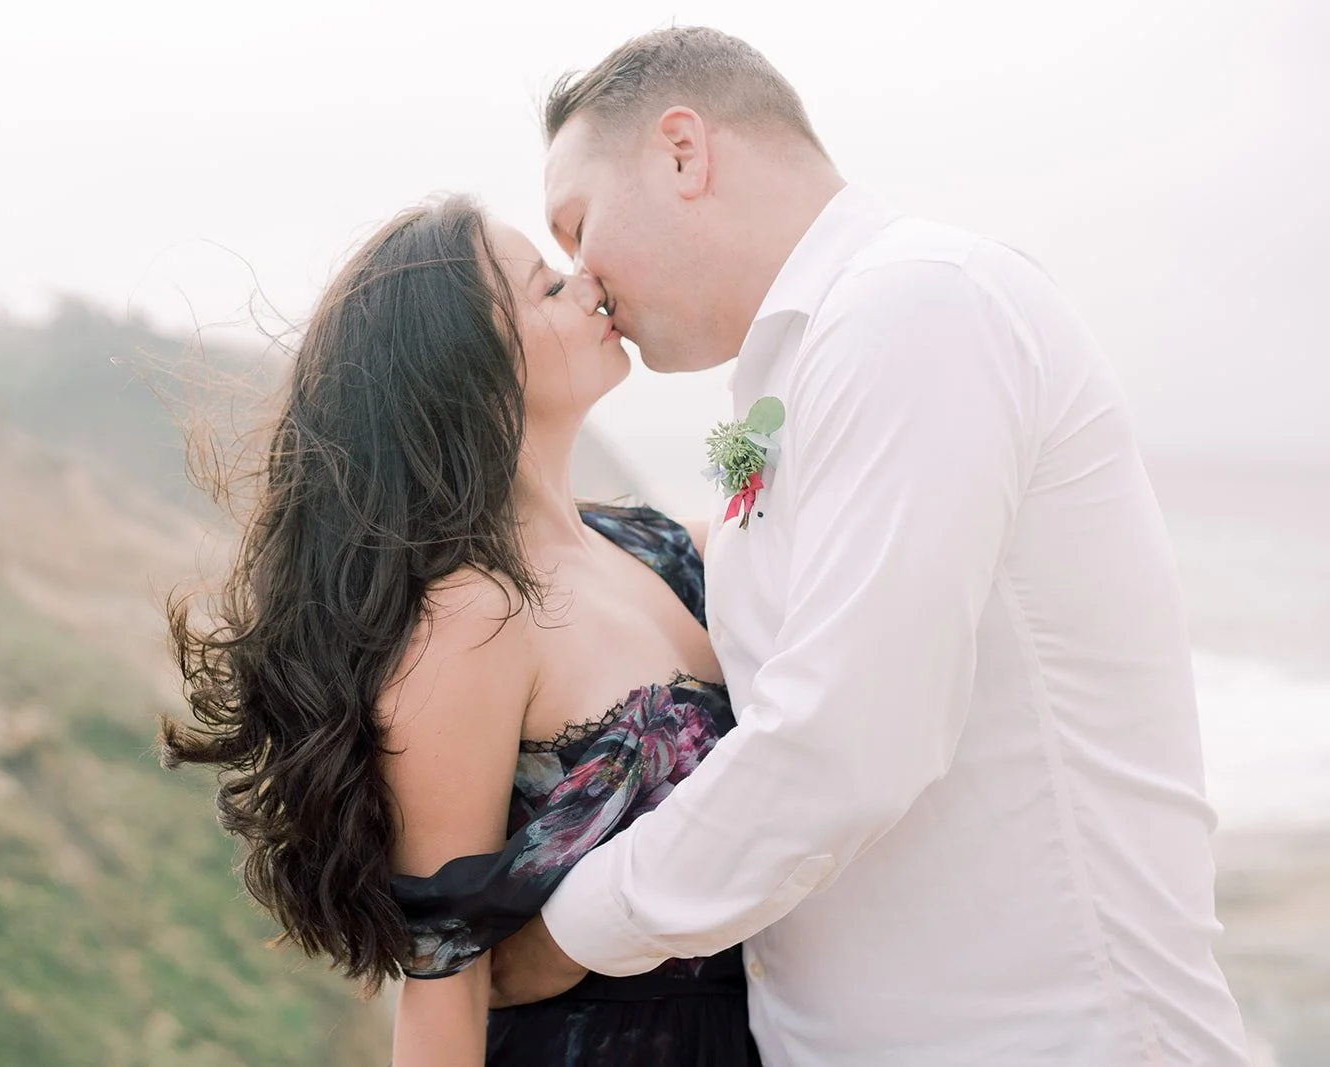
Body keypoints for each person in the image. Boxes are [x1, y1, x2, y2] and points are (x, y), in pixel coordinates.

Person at [488, 25, 1251, 1067]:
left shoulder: (917, 304)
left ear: (681, 151)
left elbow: (846, 738)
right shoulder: (797, 373)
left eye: (578, 226)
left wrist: (566, 934)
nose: (585, 279)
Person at [162, 195, 761, 1064]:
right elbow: (445, 987)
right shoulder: (468, 621)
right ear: (468, 370)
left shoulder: (647, 545)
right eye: (548, 287)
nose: (589, 283)